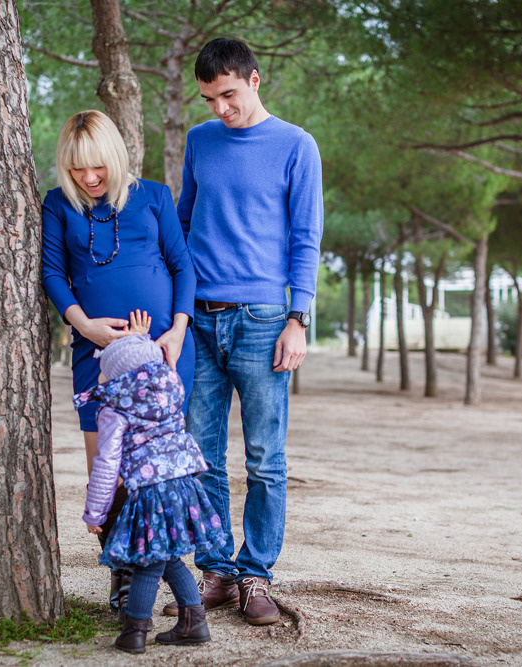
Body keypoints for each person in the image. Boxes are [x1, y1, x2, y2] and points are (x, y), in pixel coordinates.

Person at [168, 37, 323, 626]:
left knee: (264, 457)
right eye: (209, 99)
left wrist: (298, 319)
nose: (220, 108)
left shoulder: (296, 145)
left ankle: (256, 574)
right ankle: (216, 571)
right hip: (199, 319)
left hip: (263, 320)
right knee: (201, 454)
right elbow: (183, 222)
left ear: (255, 80)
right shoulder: (200, 140)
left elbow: (306, 239)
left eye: (229, 95)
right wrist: (175, 312)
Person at [41, 109, 196, 616]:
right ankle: (124, 574)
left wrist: (178, 329)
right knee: (106, 464)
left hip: (165, 354)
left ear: (114, 156)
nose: (88, 177)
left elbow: (182, 265)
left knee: (157, 468)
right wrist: (85, 326)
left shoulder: (154, 196)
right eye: (77, 167)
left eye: (98, 166)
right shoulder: (58, 204)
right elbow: (53, 273)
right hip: (96, 355)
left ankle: (168, 576)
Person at [74, 333, 227, 653]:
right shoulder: (170, 393)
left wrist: (96, 512)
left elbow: (107, 463)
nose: (101, 376)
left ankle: (135, 632)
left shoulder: (115, 410)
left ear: (120, 374)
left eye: (105, 369)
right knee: (168, 557)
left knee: (146, 563)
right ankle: (194, 623)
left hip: (151, 496)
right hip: (184, 489)